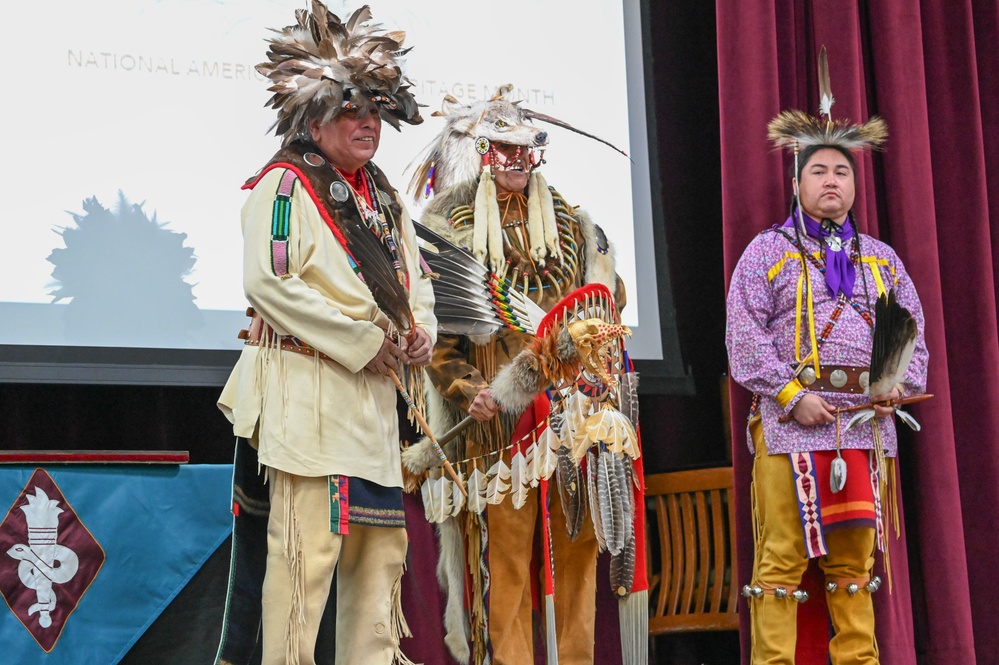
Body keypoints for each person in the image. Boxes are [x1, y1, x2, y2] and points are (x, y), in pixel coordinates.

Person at [215, 4, 436, 665]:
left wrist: (419, 330)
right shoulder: (284, 187)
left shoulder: (383, 196)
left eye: (375, 107)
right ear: (312, 117)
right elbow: (271, 284)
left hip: (369, 417)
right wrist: (365, 341)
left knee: (378, 566)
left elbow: (414, 280)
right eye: (349, 108)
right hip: (305, 406)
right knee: (301, 562)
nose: (366, 121)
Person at [402, 87, 646, 665]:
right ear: (484, 152)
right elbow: (433, 330)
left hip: (574, 415)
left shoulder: (575, 222)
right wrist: (466, 392)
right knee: (505, 562)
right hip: (496, 422)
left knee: (578, 554)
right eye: (503, 150)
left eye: (525, 150)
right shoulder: (449, 219)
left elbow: (608, 307)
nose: (515, 162)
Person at [725, 57, 929, 664]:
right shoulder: (766, 253)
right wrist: (791, 396)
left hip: (864, 428)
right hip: (792, 424)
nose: (832, 180)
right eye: (819, 170)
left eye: (843, 170)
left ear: (855, 184)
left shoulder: (883, 261)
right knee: (781, 561)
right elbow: (744, 336)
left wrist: (897, 386)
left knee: (853, 565)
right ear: (796, 182)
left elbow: (910, 332)